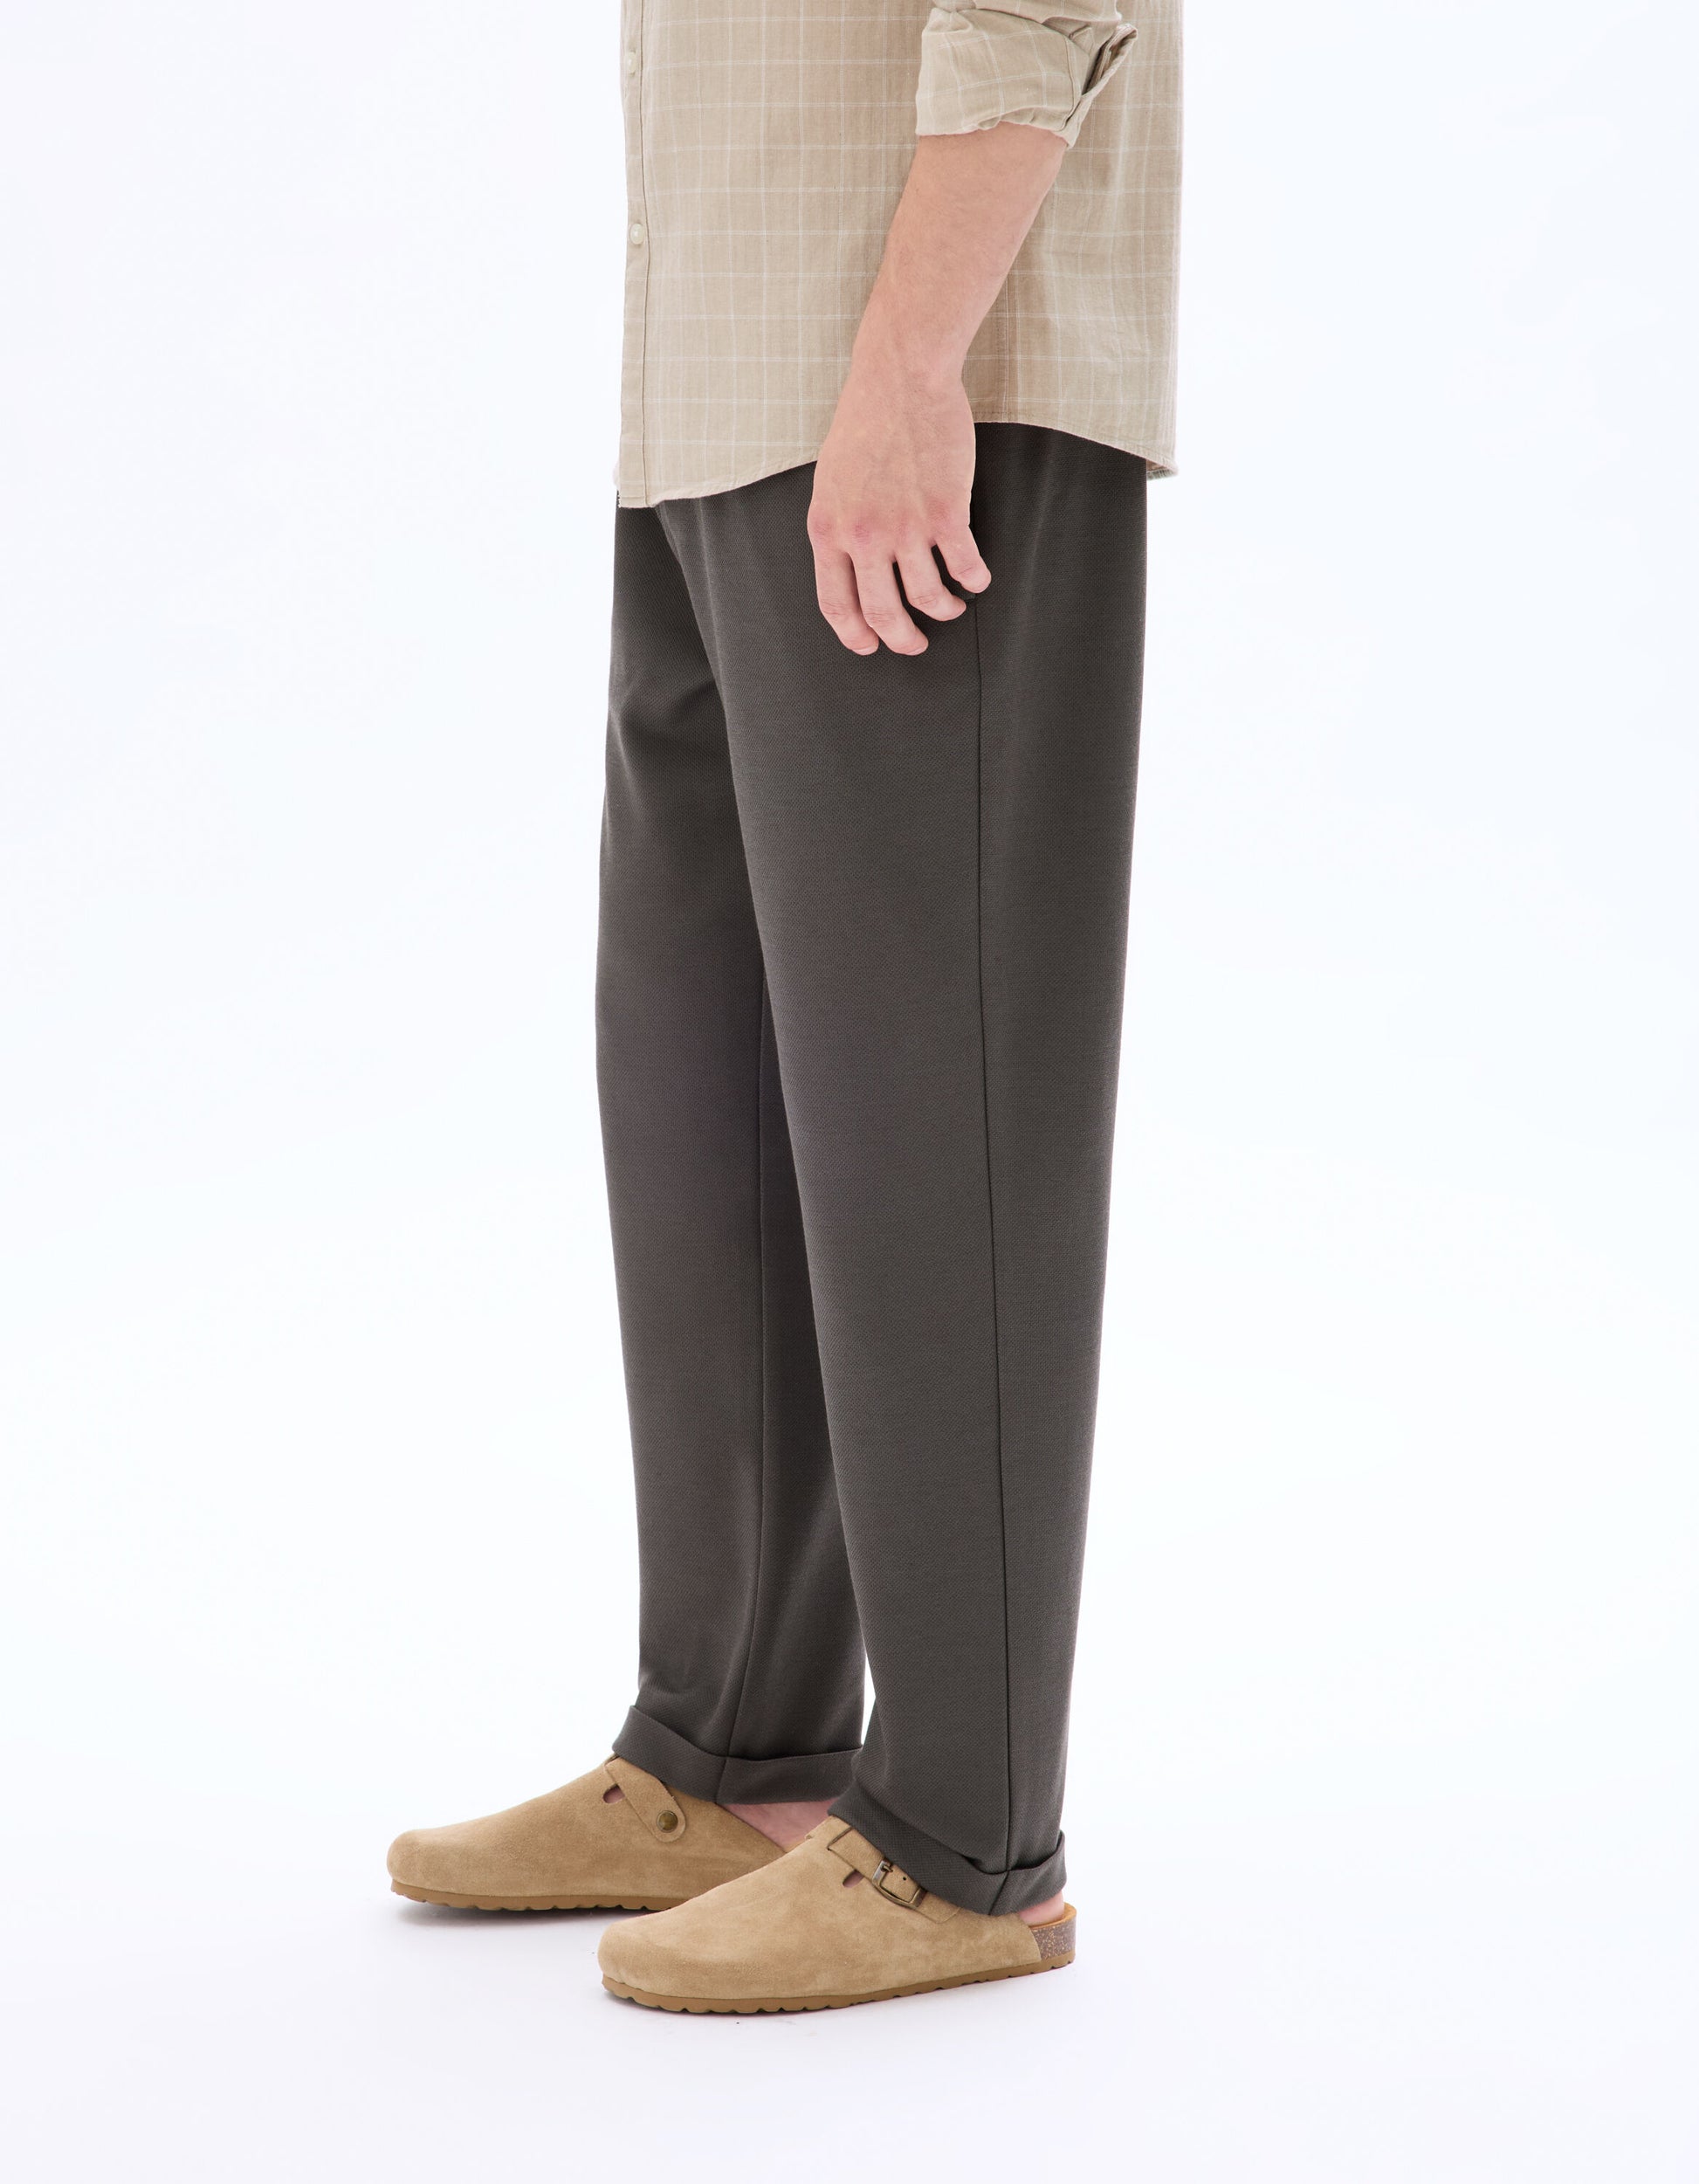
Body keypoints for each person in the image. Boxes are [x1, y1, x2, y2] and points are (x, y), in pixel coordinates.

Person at [387, 0, 1180, 2014]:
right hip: (718, 388)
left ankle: (967, 1842)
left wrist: (911, 362)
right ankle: (734, 1752)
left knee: (935, 1115)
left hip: (915, 381)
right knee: (702, 1100)